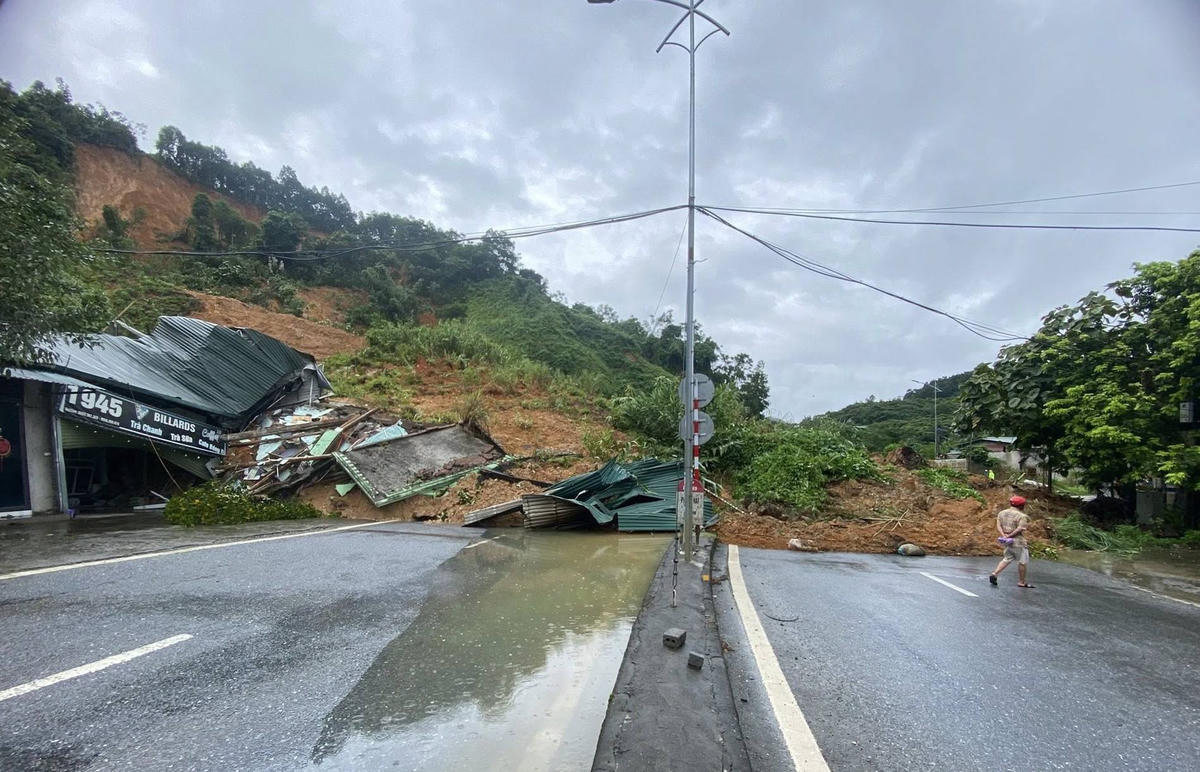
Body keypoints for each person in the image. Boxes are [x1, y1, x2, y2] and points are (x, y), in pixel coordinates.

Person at [989, 495, 1033, 588]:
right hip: (1018, 542)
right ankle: (1021, 582)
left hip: (1007, 542)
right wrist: (1010, 535)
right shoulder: (1022, 516)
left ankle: (994, 573)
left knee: (1007, 558)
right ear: (1022, 506)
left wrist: (1004, 535)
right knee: (1022, 562)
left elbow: (998, 525)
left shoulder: (1001, 513)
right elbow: (1020, 528)